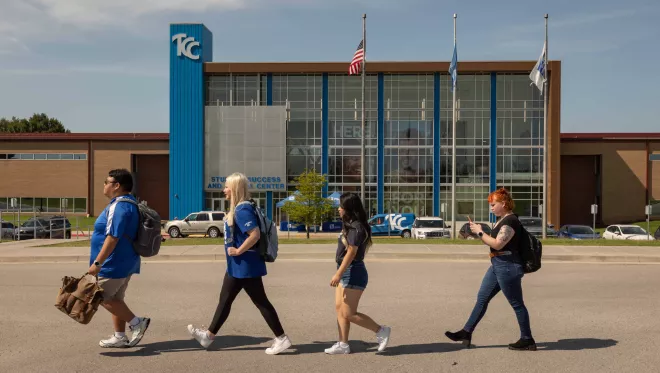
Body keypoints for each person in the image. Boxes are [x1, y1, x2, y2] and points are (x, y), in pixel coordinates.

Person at [187, 172, 292, 355]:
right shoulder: (240, 208)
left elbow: (255, 234)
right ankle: (208, 336)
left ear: (235, 188)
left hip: (245, 265)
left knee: (261, 302)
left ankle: (282, 338)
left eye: (227, 186)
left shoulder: (243, 210)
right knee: (225, 300)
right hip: (237, 265)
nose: (224, 190)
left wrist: (238, 250)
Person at [445, 188, 536, 351]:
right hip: (498, 263)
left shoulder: (511, 221)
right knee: (482, 298)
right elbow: (491, 242)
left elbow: (498, 243)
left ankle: (527, 339)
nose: (491, 208)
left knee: (517, 304)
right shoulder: (502, 221)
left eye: (493, 204)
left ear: (503, 203)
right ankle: (466, 332)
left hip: (508, 266)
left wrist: (480, 232)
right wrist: (476, 233)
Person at [88, 169, 150, 348]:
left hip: (112, 263)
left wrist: (97, 264)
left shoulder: (119, 206)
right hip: (125, 261)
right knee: (116, 299)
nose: (104, 185)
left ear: (117, 186)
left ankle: (137, 323)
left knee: (99, 296)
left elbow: (112, 237)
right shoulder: (130, 203)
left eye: (106, 182)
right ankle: (120, 336)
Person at [325, 192, 391, 355]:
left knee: (348, 313)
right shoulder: (350, 224)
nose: (338, 209)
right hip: (346, 270)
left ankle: (381, 330)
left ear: (348, 208)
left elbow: (351, 252)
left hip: (353, 272)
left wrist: (338, 274)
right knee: (340, 309)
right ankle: (343, 343)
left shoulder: (356, 227)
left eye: (341, 207)